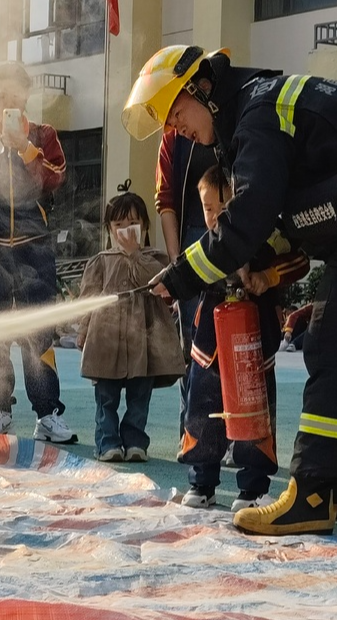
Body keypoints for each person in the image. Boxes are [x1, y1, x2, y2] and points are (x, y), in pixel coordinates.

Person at [123, 45, 337, 535]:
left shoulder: (257, 117)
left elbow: (246, 220)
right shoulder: (260, 107)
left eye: (176, 113)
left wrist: (181, 276)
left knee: (332, 347)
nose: (175, 129)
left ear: (202, 90)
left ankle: (312, 495)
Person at [0, 61, 75, 444]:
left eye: (15, 94)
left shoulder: (43, 134)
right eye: (1, 95)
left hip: (33, 247)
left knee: (38, 331)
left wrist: (25, 149)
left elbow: (55, 177)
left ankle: (47, 415)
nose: (9, 101)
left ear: (26, 96)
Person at [178, 165, 309, 511]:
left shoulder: (267, 237)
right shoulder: (203, 248)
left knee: (255, 412)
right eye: (208, 209)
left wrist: (267, 276)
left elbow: (300, 261)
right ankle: (202, 481)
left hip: (254, 345)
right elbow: (184, 274)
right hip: (209, 346)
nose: (215, 217)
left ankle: (253, 487)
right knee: (203, 409)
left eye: (223, 209)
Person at [76, 185, 185, 462]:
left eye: (134, 223)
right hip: (105, 342)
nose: (127, 230)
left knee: (139, 398)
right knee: (106, 398)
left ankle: (135, 441)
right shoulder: (100, 262)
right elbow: (87, 300)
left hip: (143, 344)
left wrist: (135, 254)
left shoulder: (155, 259)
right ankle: (107, 442)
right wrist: (83, 331)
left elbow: (155, 282)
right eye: (119, 224)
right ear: (110, 230)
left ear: (145, 226)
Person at [155, 129, 216, 438]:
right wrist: (177, 263)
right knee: (191, 342)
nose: (176, 121)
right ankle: (192, 434)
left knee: (234, 339)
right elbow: (165, 200)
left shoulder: (230, 125)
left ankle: (239, 437)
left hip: (230, 234)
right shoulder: (173, 138)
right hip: (190, 238)